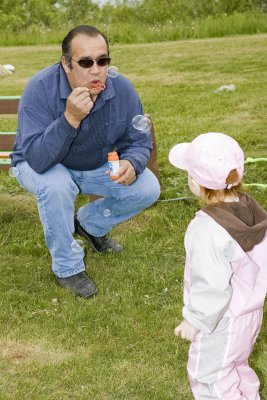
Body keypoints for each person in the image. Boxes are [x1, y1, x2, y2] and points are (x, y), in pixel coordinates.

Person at [10, 25, 160, 299]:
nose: (96, 70)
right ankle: (67, 267)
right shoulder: (39, 88)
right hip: (38, 164)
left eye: (102, 61)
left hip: (91, 164)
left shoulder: (121, 89)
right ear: (66, 64)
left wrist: (133, 162)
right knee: (57, 185)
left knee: (148, 187)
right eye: (85, 62)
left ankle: (89, 225)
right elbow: (38, 159)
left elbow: (137, 140)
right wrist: (70, 119)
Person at [169, 132, 267, 400]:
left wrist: (196, 319)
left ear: (195, 183)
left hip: (220, 321)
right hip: (249, 313)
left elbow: (211, 283)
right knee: (236, 365)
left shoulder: (206, 229)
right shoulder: (252, 210)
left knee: (210, 378)